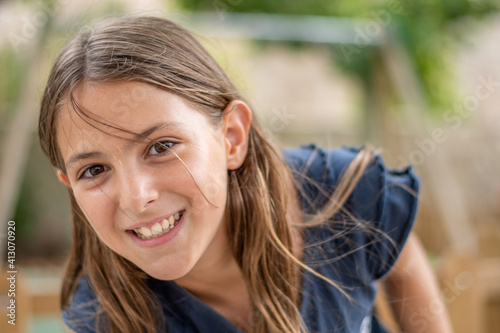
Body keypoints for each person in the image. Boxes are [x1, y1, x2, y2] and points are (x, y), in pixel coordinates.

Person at [38, 16, 453, 333]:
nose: (135, 197)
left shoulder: (336, 192)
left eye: (161, 147)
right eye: (94, 170)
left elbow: (401, 258)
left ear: (231, 137)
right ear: (71, 188)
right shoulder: (105, 319)